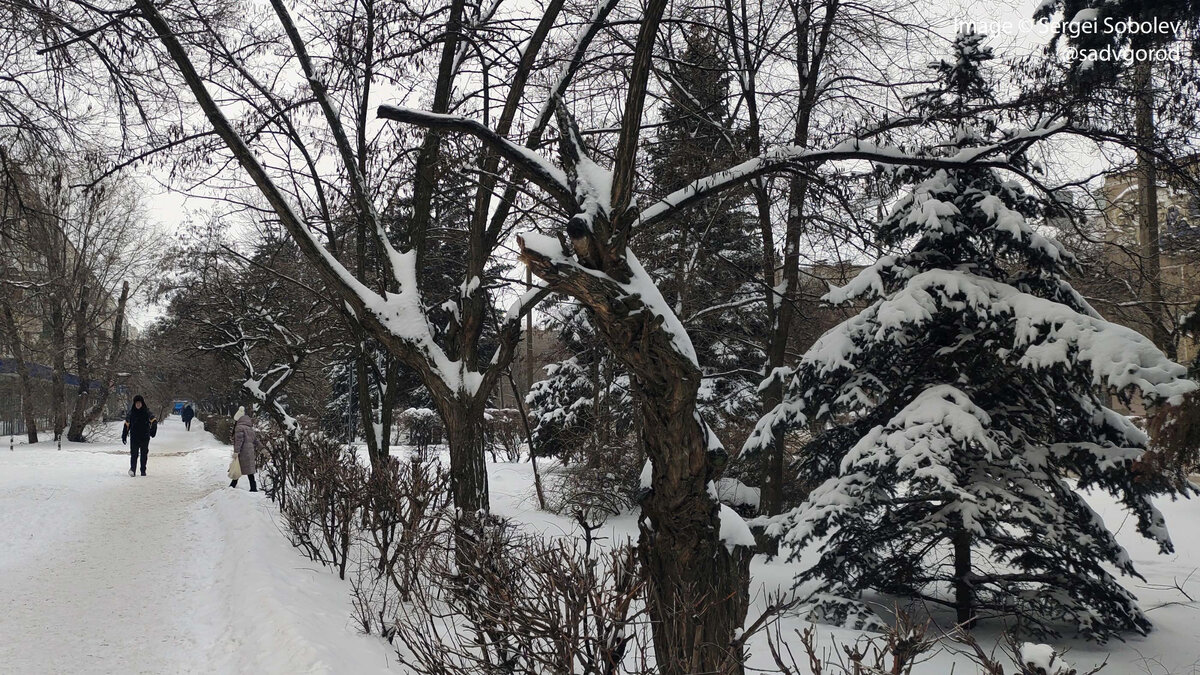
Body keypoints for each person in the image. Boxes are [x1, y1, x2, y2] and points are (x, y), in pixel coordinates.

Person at [121, 395, 158, 477]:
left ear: (142, 403)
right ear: (134, 404)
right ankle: (133, 470)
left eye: (139, 403)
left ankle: (143, 471)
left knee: (144, 454)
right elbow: (126, 425)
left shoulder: (147, 412)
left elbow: (154, 421)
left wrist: (153, 431)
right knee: (134, 454)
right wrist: (124, 435)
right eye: (136, 403)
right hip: (134, 437)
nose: (138, 405)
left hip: (144, 436)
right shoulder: (131, 413)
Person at [230, 405, 259, 492]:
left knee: (237, 468)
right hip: (249, 452)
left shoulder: (239, 427)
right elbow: (255, 440)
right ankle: (253, 487)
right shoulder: (249, 428)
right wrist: (263, 449)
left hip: (242, 452)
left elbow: (239, 441)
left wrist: (236, 452)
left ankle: (232, 486)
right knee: (249, 471)